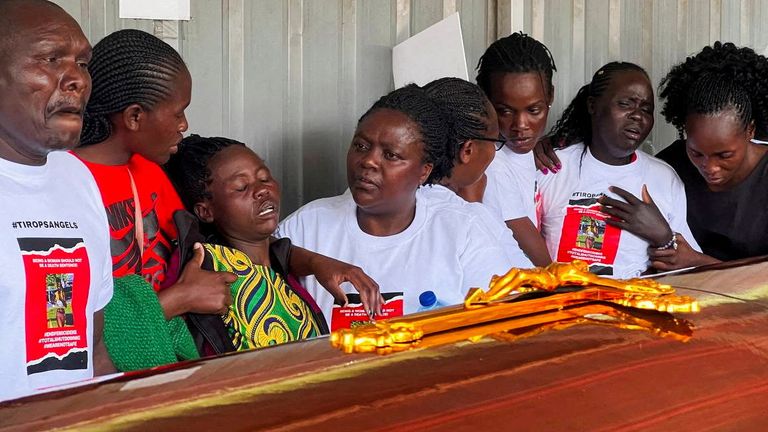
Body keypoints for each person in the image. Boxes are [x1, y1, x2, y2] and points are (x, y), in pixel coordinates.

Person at [75, 29, 381, 326]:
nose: (184, 125)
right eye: (178, 113)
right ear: (134, 117)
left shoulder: (150, 173)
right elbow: (65, 323)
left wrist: (316, 263)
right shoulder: (66, 184)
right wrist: (179, 299)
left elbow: (231, 247)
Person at [278, 84, 512, 329]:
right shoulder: (307, 227)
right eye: (361, 146)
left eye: (391, 155)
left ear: (424, 171)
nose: (368, 161)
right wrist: (314, 262)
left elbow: (504, 326)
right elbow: (248, 261)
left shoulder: (462, 231)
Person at [0, 0, 113, 401]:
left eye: (82, 63)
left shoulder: (77, 177)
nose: (77, 80)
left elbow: (92, 348)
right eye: (50, 59)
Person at [165, 135, 329, 350]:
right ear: (205, 211)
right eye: (241, 187)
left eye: (264, 178)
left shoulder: (282, 268)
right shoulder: (207, 269)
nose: (262, 190)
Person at [539, 62, 700, 278]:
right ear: (592, 105)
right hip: (560, 303)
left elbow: (689, 269)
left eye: (646, 109)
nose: (637, 115)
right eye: (625, 104)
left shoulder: (664, 178)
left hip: (635, 305)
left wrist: (662, 235)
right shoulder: (552, 166)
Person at [654, 42, 768, 266]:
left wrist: (698, 262)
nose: (710, 167)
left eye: (724, 155)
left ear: (750, 131)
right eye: (696, 153)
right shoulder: (670, 165)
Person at [422, 77, 532, 268]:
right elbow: (523, 283)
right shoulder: (471, 219)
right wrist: (474, 206)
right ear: (467, 151)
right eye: (495, 141)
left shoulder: (386, 196)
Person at [475, 32, 557, 266]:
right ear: (485, 98)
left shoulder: (533, 151)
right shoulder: (491, 161)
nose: (520, 126)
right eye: (505, 111)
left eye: (534, 111)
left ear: (550, 95)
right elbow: (534, 251)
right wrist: (559, 286)